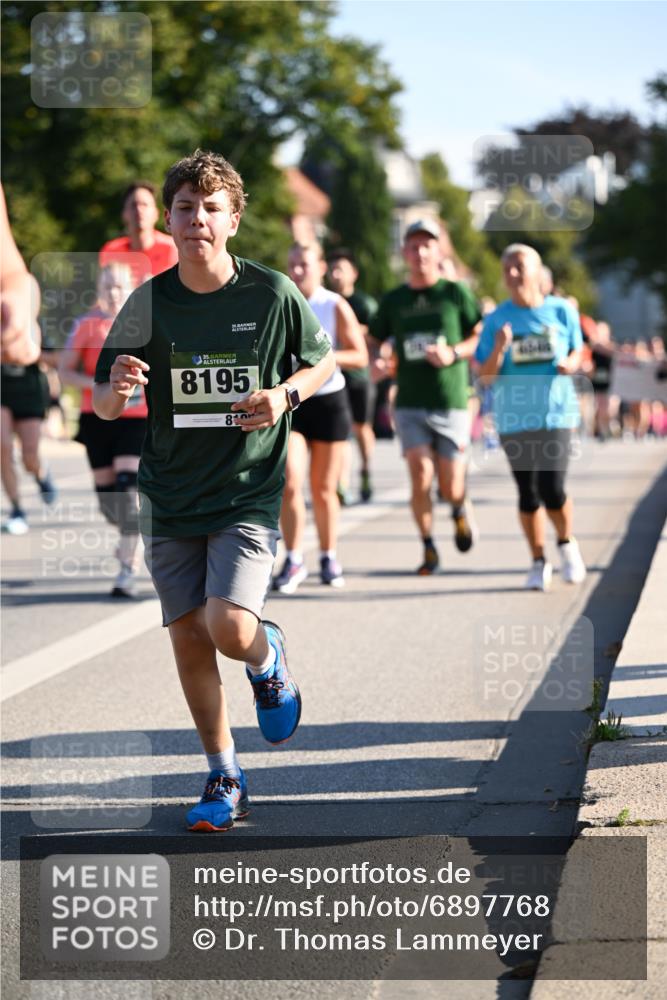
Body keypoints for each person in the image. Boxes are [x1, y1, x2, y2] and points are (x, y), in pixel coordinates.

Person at [93, 150, 334, 832]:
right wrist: (115, 391)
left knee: (227, 626)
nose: (195, 218)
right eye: (183, 207)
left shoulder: (268, 293)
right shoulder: (149, 301)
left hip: (245, 490)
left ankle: (267, 657)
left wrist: (285, 394)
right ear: (168, 219)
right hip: (169, 496)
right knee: (190, 643)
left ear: (232, 219)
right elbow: (104, 404)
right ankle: (223, 773)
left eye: (209, 208)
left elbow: (320, 362)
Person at [369, 219, 482, 575]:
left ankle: (460, 507)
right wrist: (380, 358)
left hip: (450, 399)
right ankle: (429, 546)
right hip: (410, 401)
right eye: (413, 246)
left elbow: (479, 336)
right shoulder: (394, 300)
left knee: (450, 483)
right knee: (420, 474)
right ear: (404, 252)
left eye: (426, 246)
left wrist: (454, 353)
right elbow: (373, 339)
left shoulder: (454, 293)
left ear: (438, 251)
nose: (419, 253)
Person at [476, 243, 587, 591]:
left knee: (551, 488)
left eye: (519, 266)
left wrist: (571, 362)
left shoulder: (561, 311)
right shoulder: (496, 320)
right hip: (513, 418)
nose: (511, 273)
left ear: (538, 273)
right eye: (506, 267)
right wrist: (499, 347)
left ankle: (567, 544)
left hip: (557, 414)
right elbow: (486, 377)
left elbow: (577, 347)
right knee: (528, 492)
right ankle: (538, 561)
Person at [273, 242, 367, 592]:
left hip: (329, 400)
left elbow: (360, 355)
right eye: (293, 264)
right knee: (290, 481)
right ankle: (294, 558)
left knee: (324, 489)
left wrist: (322, 357)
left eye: (305, 265)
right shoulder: (280, 302)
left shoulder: (333, 304)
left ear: (321, 268)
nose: (298, 271)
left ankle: (328, 556)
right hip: (294, 401)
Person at [59, 263, 145, 596]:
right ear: (99, 289)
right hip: (96, 417)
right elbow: (66, 370)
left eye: (120, 287)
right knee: (110, 503)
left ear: (131, 289)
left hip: (137, 418)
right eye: (107, 287)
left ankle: (127, 568)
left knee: (127, 489)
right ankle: (127, 534)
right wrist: (98, 383)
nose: (113, 293)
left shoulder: (144, 325)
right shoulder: (87, 324)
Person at [326, 248, 378, 502]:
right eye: (332, 269)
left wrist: (354, 329)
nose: (336, 274)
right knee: (342, 432)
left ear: (353, 274)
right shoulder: (323, 302)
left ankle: (366, 469)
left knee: (361, 428)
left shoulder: (364, 303)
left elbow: (378, 336)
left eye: (341, 269)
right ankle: (341, 483)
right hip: (332, 377)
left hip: (359, 375)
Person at [99, 181, 178, 286]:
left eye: (145, 205)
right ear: (124, 214)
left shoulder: (174, 248)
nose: (139, 210)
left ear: (156, 213)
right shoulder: (111, 251)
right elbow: (103, 295)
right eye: (133, 205)